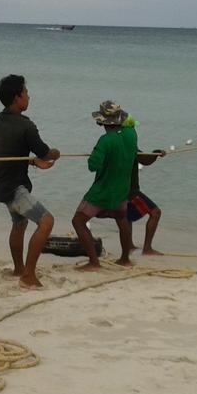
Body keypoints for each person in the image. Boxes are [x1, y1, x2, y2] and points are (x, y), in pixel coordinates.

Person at [0, 75, 59, 288]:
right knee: (46, 222)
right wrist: (56, 153)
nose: (28, 96)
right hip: (14, 187)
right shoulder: (25, 125)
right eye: (26, 93)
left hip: (0, 184)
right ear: (17, 98)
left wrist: (31, 162)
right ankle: (28, 275)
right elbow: (45, 152)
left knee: (19, 224)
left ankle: (18, 269)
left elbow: (7, 152)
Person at [72, 101, 138, 271]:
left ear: (101, 121)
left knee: (78, 221)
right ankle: (125, 259)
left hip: (103, 190)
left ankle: (94, 262)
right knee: (122, 219)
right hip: (122, 189)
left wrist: (94, 154)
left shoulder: (105, 141)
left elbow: (93, 165)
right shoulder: (131, 133)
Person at [123, 116, 167, 255]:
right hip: (131, 191)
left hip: (120, 189)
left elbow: (142, 157)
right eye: (133, 128)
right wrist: (157, 153)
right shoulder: (129, 144)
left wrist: (155, 153)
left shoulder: (118, 143)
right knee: (155, 212)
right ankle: (147, 248)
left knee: (127, 216)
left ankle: (129, 246)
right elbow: (145, 159)